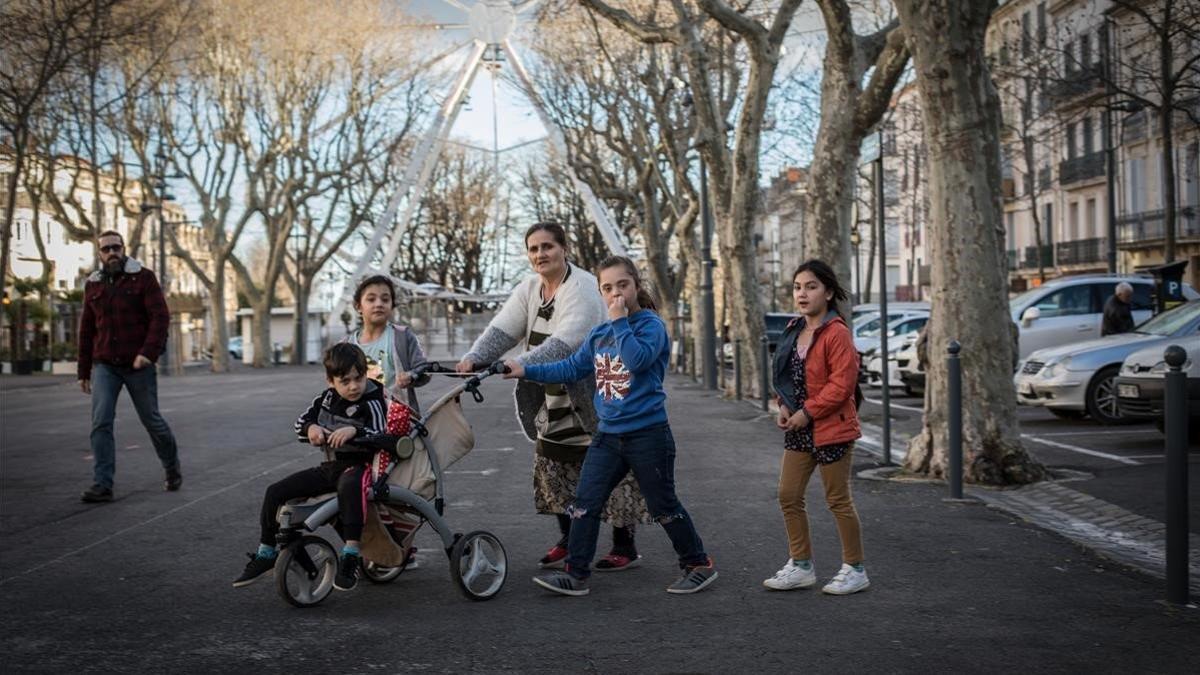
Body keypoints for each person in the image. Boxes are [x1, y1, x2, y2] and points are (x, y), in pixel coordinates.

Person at [511, 255, 717, 596]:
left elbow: (636, 360)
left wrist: (620, 320)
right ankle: (575, 574)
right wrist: (524, 369)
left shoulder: (650, 325)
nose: (615, 293)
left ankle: (697, 563)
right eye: (607, 288)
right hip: (608, 435)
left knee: (663, 506)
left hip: (648, 434)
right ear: (600, 291)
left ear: (636, 285)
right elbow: (569, 368)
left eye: (622, 285)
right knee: (585, 503)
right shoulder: (599, 334)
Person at [456, 223, 648, 571]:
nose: (540, 254)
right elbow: (502, 329)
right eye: (533, 249)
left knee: (610, 468)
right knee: (554, 466)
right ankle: (568, 538)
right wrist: (475, 357)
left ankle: (625, 545)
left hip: (594, 390)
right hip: (549, 393)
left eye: (547, 246)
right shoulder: (530, 288)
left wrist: (518, 364)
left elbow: (566, 343)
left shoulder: (584, 288)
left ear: (564, 249)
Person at [232, 343, 387, 592]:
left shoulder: (373, 400)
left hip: (362, 466)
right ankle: (266, 551)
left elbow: (382, 434)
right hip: (330, 467)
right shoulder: (325, 399)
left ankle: (351, 553)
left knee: (349, 485)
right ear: (330, 381)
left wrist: (355, 430)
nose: (353, 386)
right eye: (345, 381)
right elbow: (301, 423)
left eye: (358, 378)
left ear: (365, 374)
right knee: (275, 491)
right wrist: (311, 429)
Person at [764, 259, 869, 596]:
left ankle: (855, 569)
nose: (802, 293)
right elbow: (784, 375)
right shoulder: (795, 327)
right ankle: (801, 565)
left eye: (810, 287)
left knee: (837, 499)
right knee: (788, 495)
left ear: (828, 291)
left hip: (831, 426)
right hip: (800, 425)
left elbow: (843, 385)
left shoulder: (837, 333)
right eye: (797, 287)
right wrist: (783, 405)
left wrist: (807, 413)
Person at [77, 230, 179, 503]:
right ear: (99, 254)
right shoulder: (93, 284)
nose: (112, 253)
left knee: (152, 421)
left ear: (124, 248)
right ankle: (102, 485)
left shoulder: (143, 277)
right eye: (106, 249)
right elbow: (86, 329)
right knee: (101, 423)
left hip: (138, 364)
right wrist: (83, 370)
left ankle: (172, 468)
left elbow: (160, 318)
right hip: (104, 365)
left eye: (116, 247)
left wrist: (148, 353)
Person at [343, 274, 430, 411]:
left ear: (392, 304)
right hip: (360, 419)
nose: (379, 304)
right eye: (371, 299)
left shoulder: (403, 335)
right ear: (358, 306)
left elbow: (424, 368)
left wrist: (411, 376)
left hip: (399, 419)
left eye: (385, 299)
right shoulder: (346, 345)